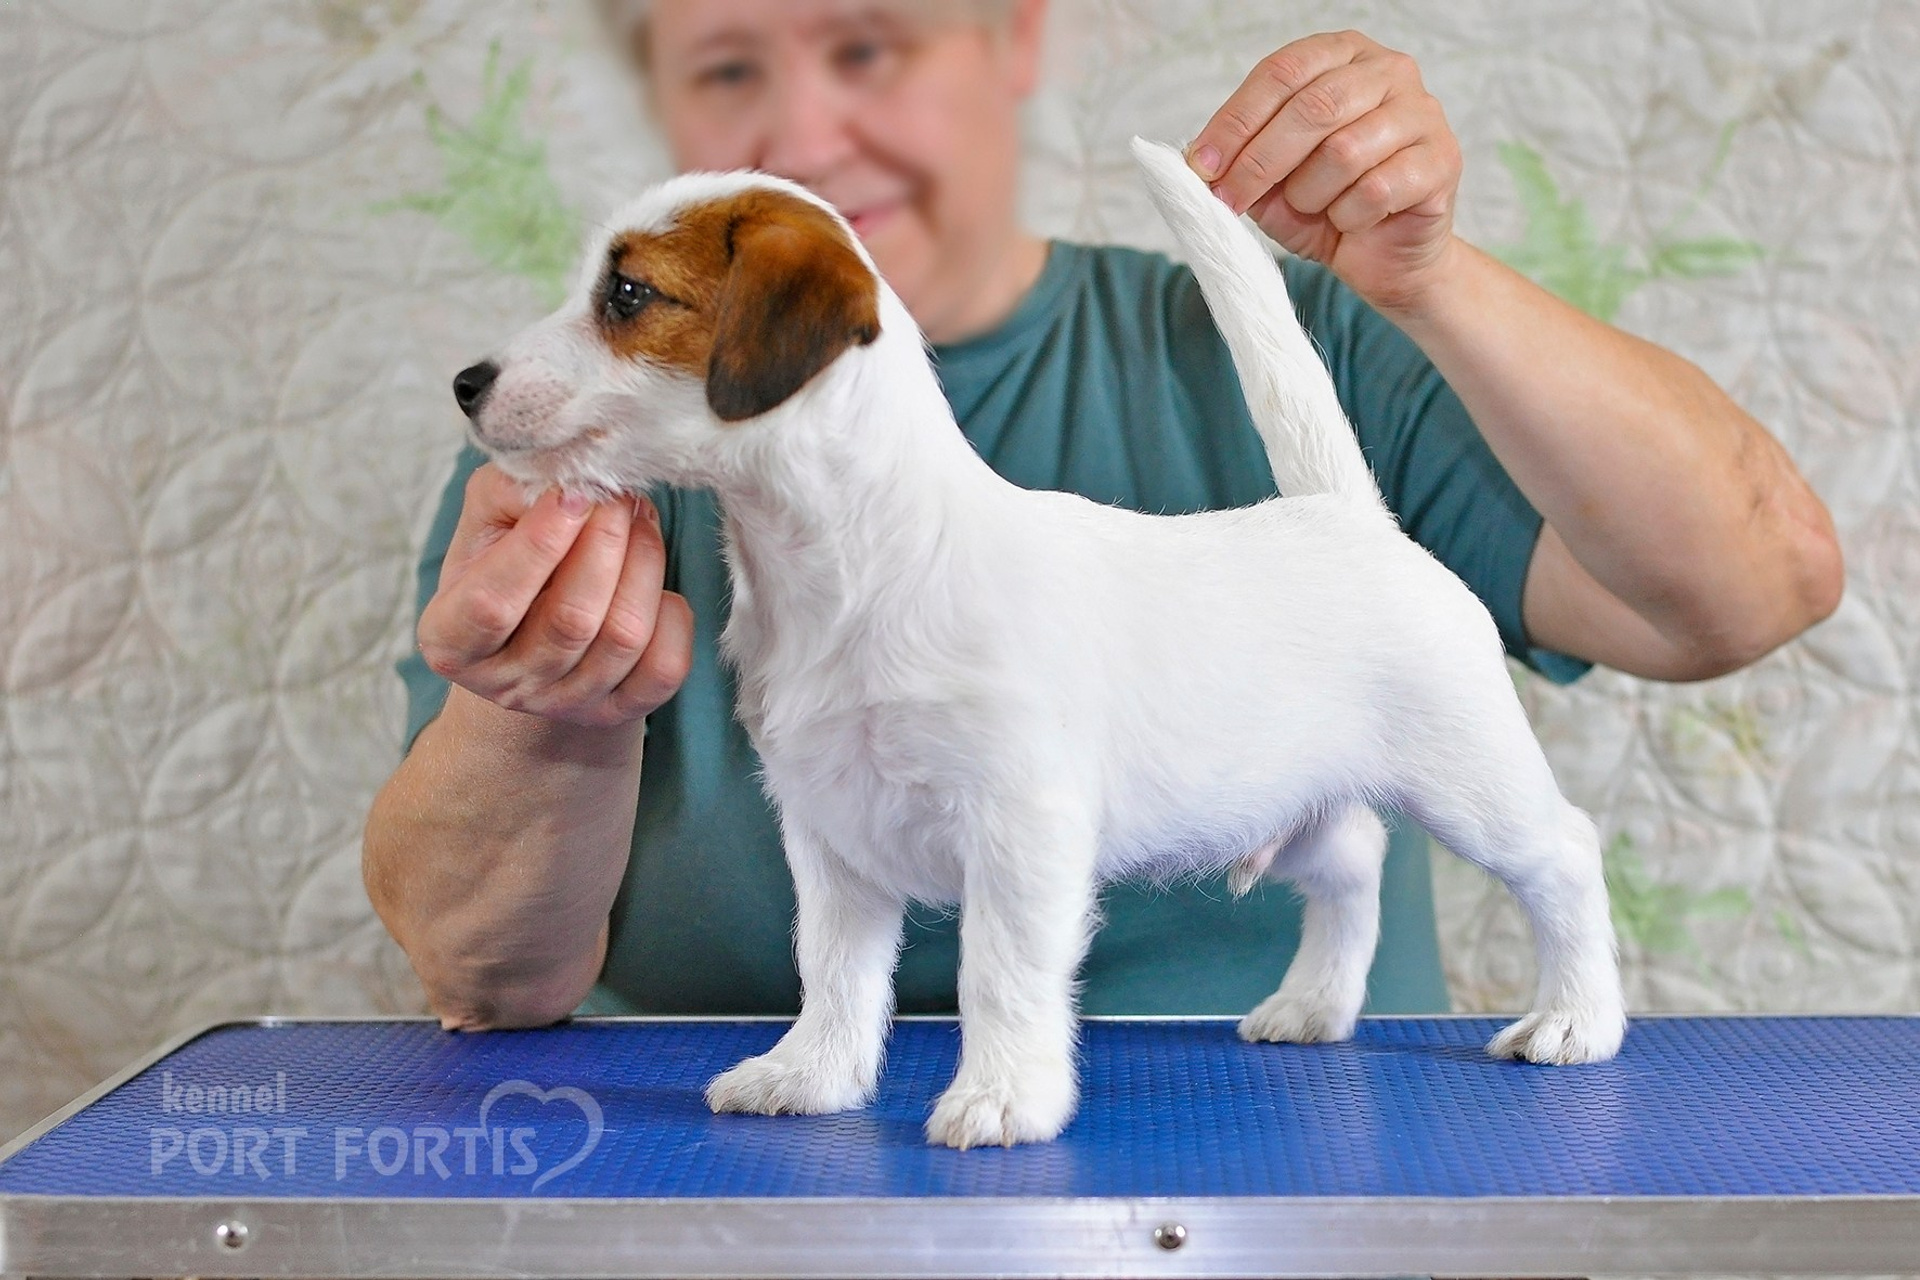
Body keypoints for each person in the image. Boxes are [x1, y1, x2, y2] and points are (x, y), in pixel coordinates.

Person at [362, 0, 1843, 1033]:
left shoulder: (1324, 340)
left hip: (1280, 1159)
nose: (806, 122)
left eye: (868, 42)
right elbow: (474, 976)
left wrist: (1428, 277)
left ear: (1012, 36)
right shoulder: (581, 461)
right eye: (728, 63)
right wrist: (542, 714)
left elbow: (1758, 586)